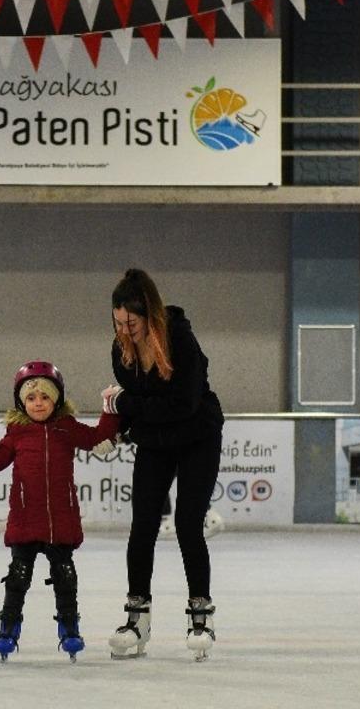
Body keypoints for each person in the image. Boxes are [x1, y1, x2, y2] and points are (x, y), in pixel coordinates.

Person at [101, 268, 224, 661]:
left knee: (188, 524)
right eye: (118, 321)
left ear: (149, 314)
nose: (124, 329)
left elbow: (183, 405)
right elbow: (143, 410)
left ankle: (200, 615)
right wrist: (117, 427)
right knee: (143, 525)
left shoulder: (181, 341)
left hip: (198, 436)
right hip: (157, 441)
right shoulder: (121, 351)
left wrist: (128, 406)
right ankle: (137, 617)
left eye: (131, 322)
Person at [0, 361, 119, 662]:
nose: (38, 403)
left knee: (64, 574)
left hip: (61, 519)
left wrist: (110, 408)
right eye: (31, 398)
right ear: (21, 402)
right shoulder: (18, 431)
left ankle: (69, 626)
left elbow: (98, 438)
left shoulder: (67, 428)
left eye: (45, 397)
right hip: (25, 518)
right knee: (18, 576)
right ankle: (8, 627)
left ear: (57, 400)